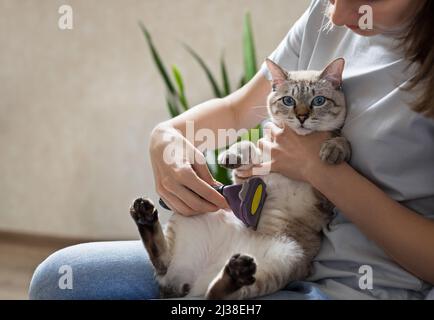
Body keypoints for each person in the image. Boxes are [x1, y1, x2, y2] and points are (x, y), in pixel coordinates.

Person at [29, 0, 434, 300]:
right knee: (61, 278)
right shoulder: (326, 17)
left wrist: (320, 170)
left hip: (352, 286)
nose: (341, 17)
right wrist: (166, 135)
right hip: (244, 240)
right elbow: (240, 108)